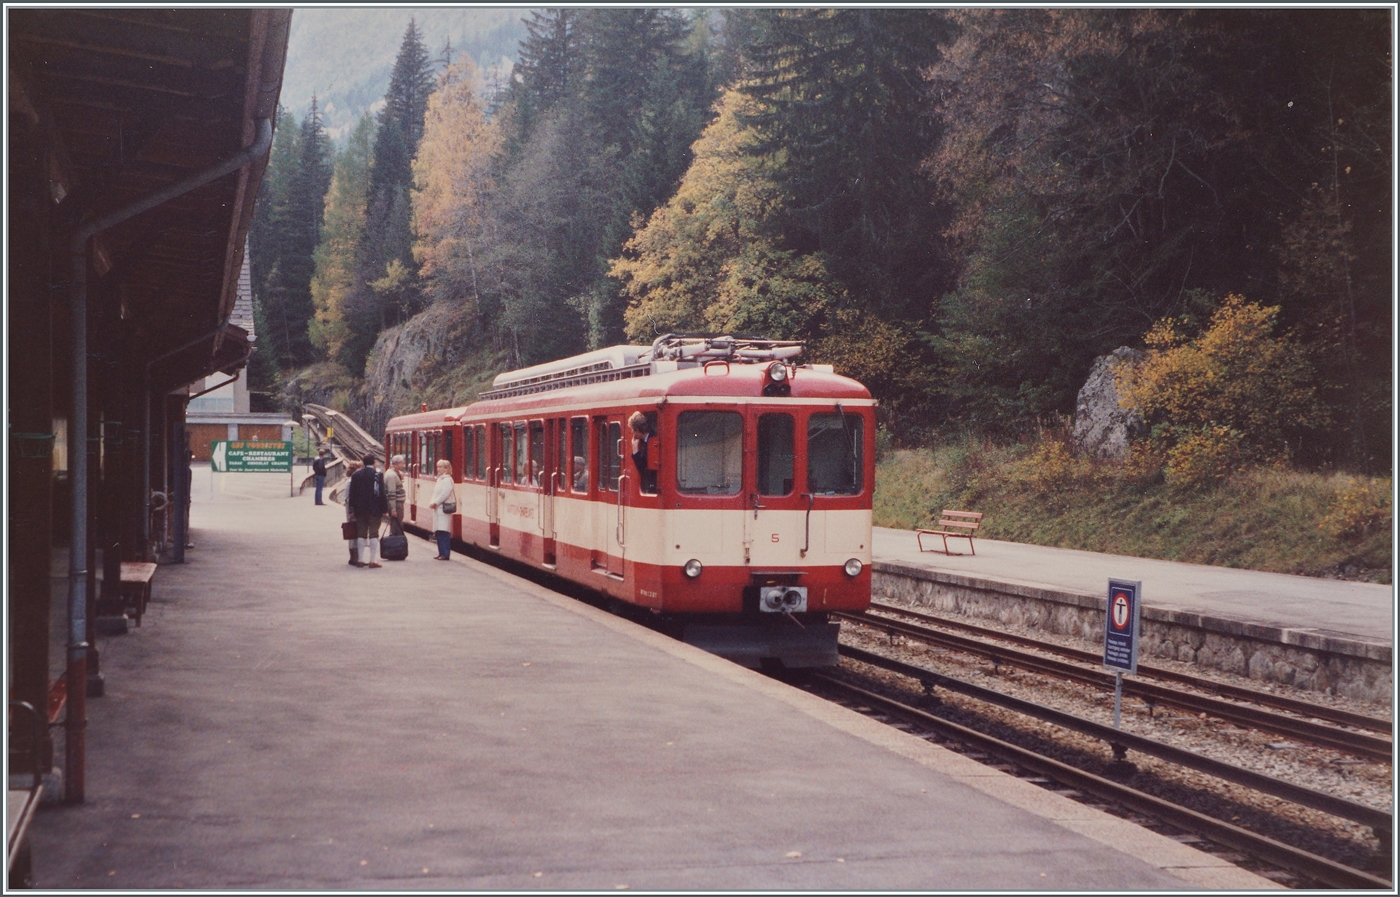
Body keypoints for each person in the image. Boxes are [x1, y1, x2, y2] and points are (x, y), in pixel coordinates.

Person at [347, 453, 388, 568]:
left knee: (361, 533)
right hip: (374, 509)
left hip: (360, 509)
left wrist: (352, 509)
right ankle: (372, 560)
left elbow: (352, 494)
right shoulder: (377, 475)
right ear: (374, 462)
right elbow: (381, 493)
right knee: (374, 533)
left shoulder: (356, 475)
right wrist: (384, 509)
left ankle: (360, 559)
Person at [428, 459, 456, 560]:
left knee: (444, 531)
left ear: (446, 468)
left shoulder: (447, 480)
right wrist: (433, 502)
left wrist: (436, 502)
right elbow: (437, 492)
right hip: (438, 508)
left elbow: (444, 493)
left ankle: (445, 554)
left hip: (443, 509)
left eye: (440, 467)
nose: (438, 469)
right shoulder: (440, 479)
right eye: (437, 467)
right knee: (439, 531)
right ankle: (441, 553)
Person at [628, 411, 657, 494]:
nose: (632, 433)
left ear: (637, 429)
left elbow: (643, 470)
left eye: (632, 430)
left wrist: (635, 451)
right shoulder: (649, 438)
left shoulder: (651, 441)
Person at [342, 458, 361, 565]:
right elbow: (350, 498)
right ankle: (354, 557)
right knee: (353, 533)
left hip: (349, 509)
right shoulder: (352, 481)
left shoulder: (350, 480)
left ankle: (354, 557)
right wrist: (351, 511)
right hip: (351, 509)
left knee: (352, 533)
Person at [383, 454, 406, 536]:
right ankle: (396, 545)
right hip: (396, 504)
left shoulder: (393, 473)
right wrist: (393, 509)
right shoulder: (392, 476)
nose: (403, 465)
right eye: (402, 463)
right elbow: (391, 493)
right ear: (397, 464)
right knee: (396, 526)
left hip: (397, 503)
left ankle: (395, 544)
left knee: (396, 525)